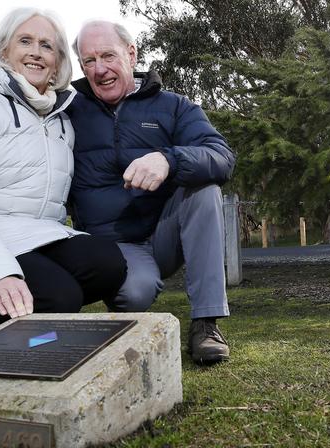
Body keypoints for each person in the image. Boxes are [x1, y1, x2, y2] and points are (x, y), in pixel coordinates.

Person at [0, 9, 127, 356]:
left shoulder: (60, 118)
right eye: (25, 41)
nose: (36, 52)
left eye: (47, 46)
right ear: (4, 51)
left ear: (57, 61)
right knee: (59, 296)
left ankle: (30, 327)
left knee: (107, 264)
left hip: (35, 235)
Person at [66, 20, 235, 364]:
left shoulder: (174, 106)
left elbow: (221, 156)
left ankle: (206, 323)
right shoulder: (67, 110)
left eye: (108, 56)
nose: (99, 70)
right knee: (134, 295)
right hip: (111, 246)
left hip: (163, 235)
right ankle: (124, 290)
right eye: (88, 61)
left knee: (204, 190)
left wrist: (169, 159)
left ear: (131, 53)